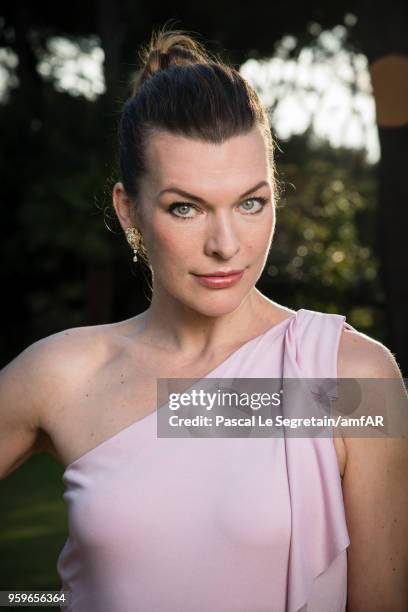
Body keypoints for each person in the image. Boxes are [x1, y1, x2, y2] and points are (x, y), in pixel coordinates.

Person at [1, 25, 407, 612]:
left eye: (250, 202)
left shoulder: (355, 381)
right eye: (185, 207)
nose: (225, 244)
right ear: (129, 210)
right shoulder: (64, 374)